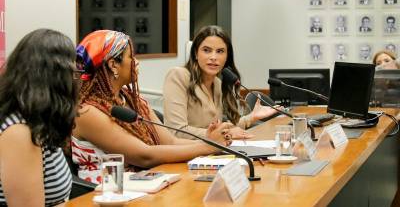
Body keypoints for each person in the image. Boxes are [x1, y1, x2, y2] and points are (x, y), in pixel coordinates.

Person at [73, 30, 230, 183]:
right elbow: (145, 156)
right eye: (131, 57)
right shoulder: (87, 111)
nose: (137, 61)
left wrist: (211, 140)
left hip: (145, 184)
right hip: (106, 193)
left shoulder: (132, 99)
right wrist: (209, 146)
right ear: (113, 65)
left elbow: (171, 142)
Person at [0, 29, 78, 206]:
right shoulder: (18, 132)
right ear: (56, 77)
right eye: (72, 71)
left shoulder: (37, 120)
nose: (75, 78)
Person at [163, 25, 280, 140]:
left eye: (220, 51)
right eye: (206, 50)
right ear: (195, 53)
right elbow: (176, 131)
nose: (213, 57)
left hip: (210, 153)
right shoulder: (178, 75)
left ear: (226, 57)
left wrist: (251, 117)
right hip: (186, 155)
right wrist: (225, 133)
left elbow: (220, 128)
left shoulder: (217, 83)